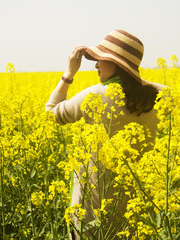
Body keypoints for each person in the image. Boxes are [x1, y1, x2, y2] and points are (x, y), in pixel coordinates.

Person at [45, 30, 166, 239]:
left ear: (116, 63)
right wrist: (133, 77)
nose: (96, 65)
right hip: (139, 215)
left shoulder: (94, 96)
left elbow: (50, 115)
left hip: (93, 217)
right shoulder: (160, 96)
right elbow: (150, 87)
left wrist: (69, 74)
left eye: (101, 59)